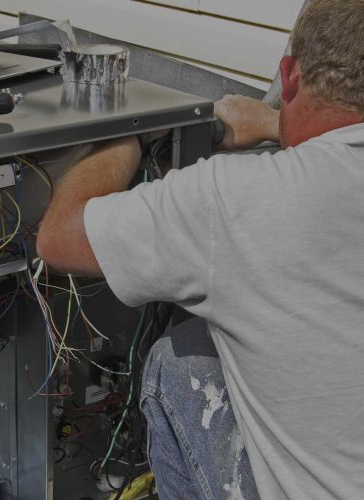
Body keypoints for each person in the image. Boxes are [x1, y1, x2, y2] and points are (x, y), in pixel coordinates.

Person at [36, 0, 364, 498]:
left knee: (178, 359)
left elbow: (59, 238)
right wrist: (280, 124)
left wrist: (130, 135)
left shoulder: (242, 197)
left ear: (289, 78)